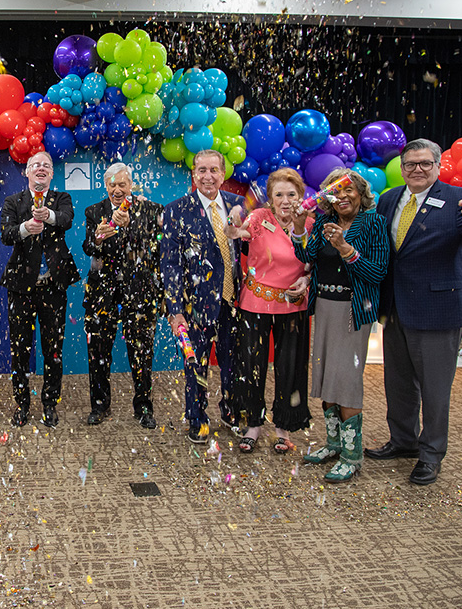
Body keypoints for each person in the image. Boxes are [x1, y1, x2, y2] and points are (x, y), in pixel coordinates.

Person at [366, 139, 462, 485]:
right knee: (397, 383)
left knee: (435, 389)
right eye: (410, 163)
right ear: (402, 167)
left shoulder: (460, 200)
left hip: (438, 310)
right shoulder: (389, 199)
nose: (417, 169)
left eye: (425, 163)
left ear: (437, 165)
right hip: (394, 308)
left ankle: (430, 455)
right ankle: (403, 441)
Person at [291, 168, 389, 483]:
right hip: (325, 308)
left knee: (345, 382)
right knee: (326, 379)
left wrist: (346, 249)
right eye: (336, 191)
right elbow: (307, 255)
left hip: (353, 312)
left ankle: (351, 455)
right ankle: (333, 444)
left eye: (349, 190)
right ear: (327, 197)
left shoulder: (374, 223)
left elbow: (377, 273)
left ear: (361, 194)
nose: (343, 196)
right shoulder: (322, 222)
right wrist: (297, 226)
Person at [226, 168, 313, 453]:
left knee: (289, 367)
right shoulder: (260, 218)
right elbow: (238, 232)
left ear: (301, 196)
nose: (286, 200)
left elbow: (313, 263)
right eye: (279, 194)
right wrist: (233, 223)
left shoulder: (309, 224)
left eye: (291, 194)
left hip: (293, 306)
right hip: (255, 305)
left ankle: (283, 426)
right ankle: (253, 424)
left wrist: (307, 278)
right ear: (271, 198)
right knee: (252, 366)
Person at [161, 150, 243, 445]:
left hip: (235, 303)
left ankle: (231, 412)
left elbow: (247, 251)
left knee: (234, 362)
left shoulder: (238, 205)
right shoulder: (176, 210)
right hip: (196, 306)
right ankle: (197, 418)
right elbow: (169, 263)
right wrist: (175, 309)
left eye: (214, 170)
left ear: (223, 174)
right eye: (202, 170)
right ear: (193, 175)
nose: (208, 176)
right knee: (196, 366)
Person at [0, 151, 80, 428]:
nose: (41, 169)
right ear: (27, 172)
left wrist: (49, 216)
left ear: (51, 173)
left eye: (46, 165)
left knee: (53, 349)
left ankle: (49, 403)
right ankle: (22, 405)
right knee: (20, 349)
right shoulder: (13, 201)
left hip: (53, 287)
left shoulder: (61, 200)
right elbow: (6, 234)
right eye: (35, 165)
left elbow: (67, 219)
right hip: (21, 287)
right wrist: (24, 228)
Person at [82, 162, 163, 429]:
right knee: (99, 351)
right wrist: (97, 239)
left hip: (138, 290)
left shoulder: (149, 210)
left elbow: (154, 247)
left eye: (122, 184)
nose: (117, 190)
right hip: (102, 291)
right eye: (112, 185)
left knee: (141, 352)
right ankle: (99, 406)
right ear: (105, 186)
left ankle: (143, 407)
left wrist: (130, 227)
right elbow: (88, 247)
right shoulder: (94, 211)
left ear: (131, 185)